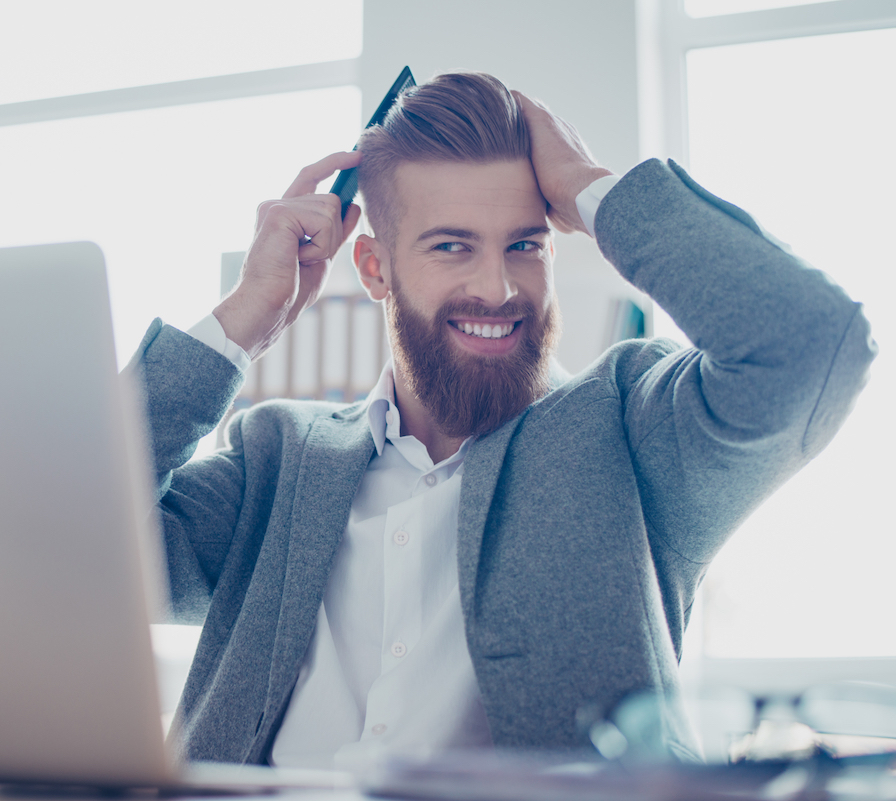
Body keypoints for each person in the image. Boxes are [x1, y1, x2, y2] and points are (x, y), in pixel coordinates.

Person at [128, 72, 875, 768]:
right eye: (452, 246)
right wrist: (242, 320)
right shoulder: (280, 454)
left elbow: (810, 344)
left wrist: (590, 191)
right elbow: (68, 544)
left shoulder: (632, 430)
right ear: (375, 269)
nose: (498, 287)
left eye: (525, 245)